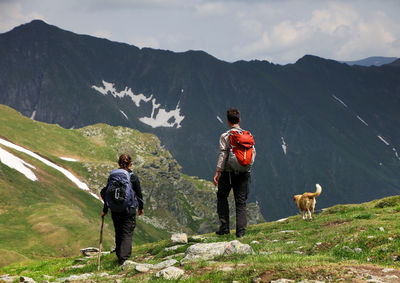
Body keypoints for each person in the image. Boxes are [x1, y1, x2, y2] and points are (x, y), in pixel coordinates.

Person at [213, 108, 255, 238]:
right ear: (239, 120)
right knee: (241, 202)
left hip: (228, 173)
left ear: (227, 121)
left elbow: (223, 154)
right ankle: (241, 232)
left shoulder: (226, 136)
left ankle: (224, 227)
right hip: (244, 172)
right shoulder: (248, 136)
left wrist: (217, 171)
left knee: (222, 196)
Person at [101, 154, 144, 265]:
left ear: (119, 163)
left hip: (115, 208)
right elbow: (139, 194)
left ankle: (119, 254)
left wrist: (105, 210)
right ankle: (123, 259)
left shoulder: (113, 176)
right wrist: (141, 207)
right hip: (129, 208)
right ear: (130, 164)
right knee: (127, 232)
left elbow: (107, 193)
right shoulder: (133, 177)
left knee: (118, 231)